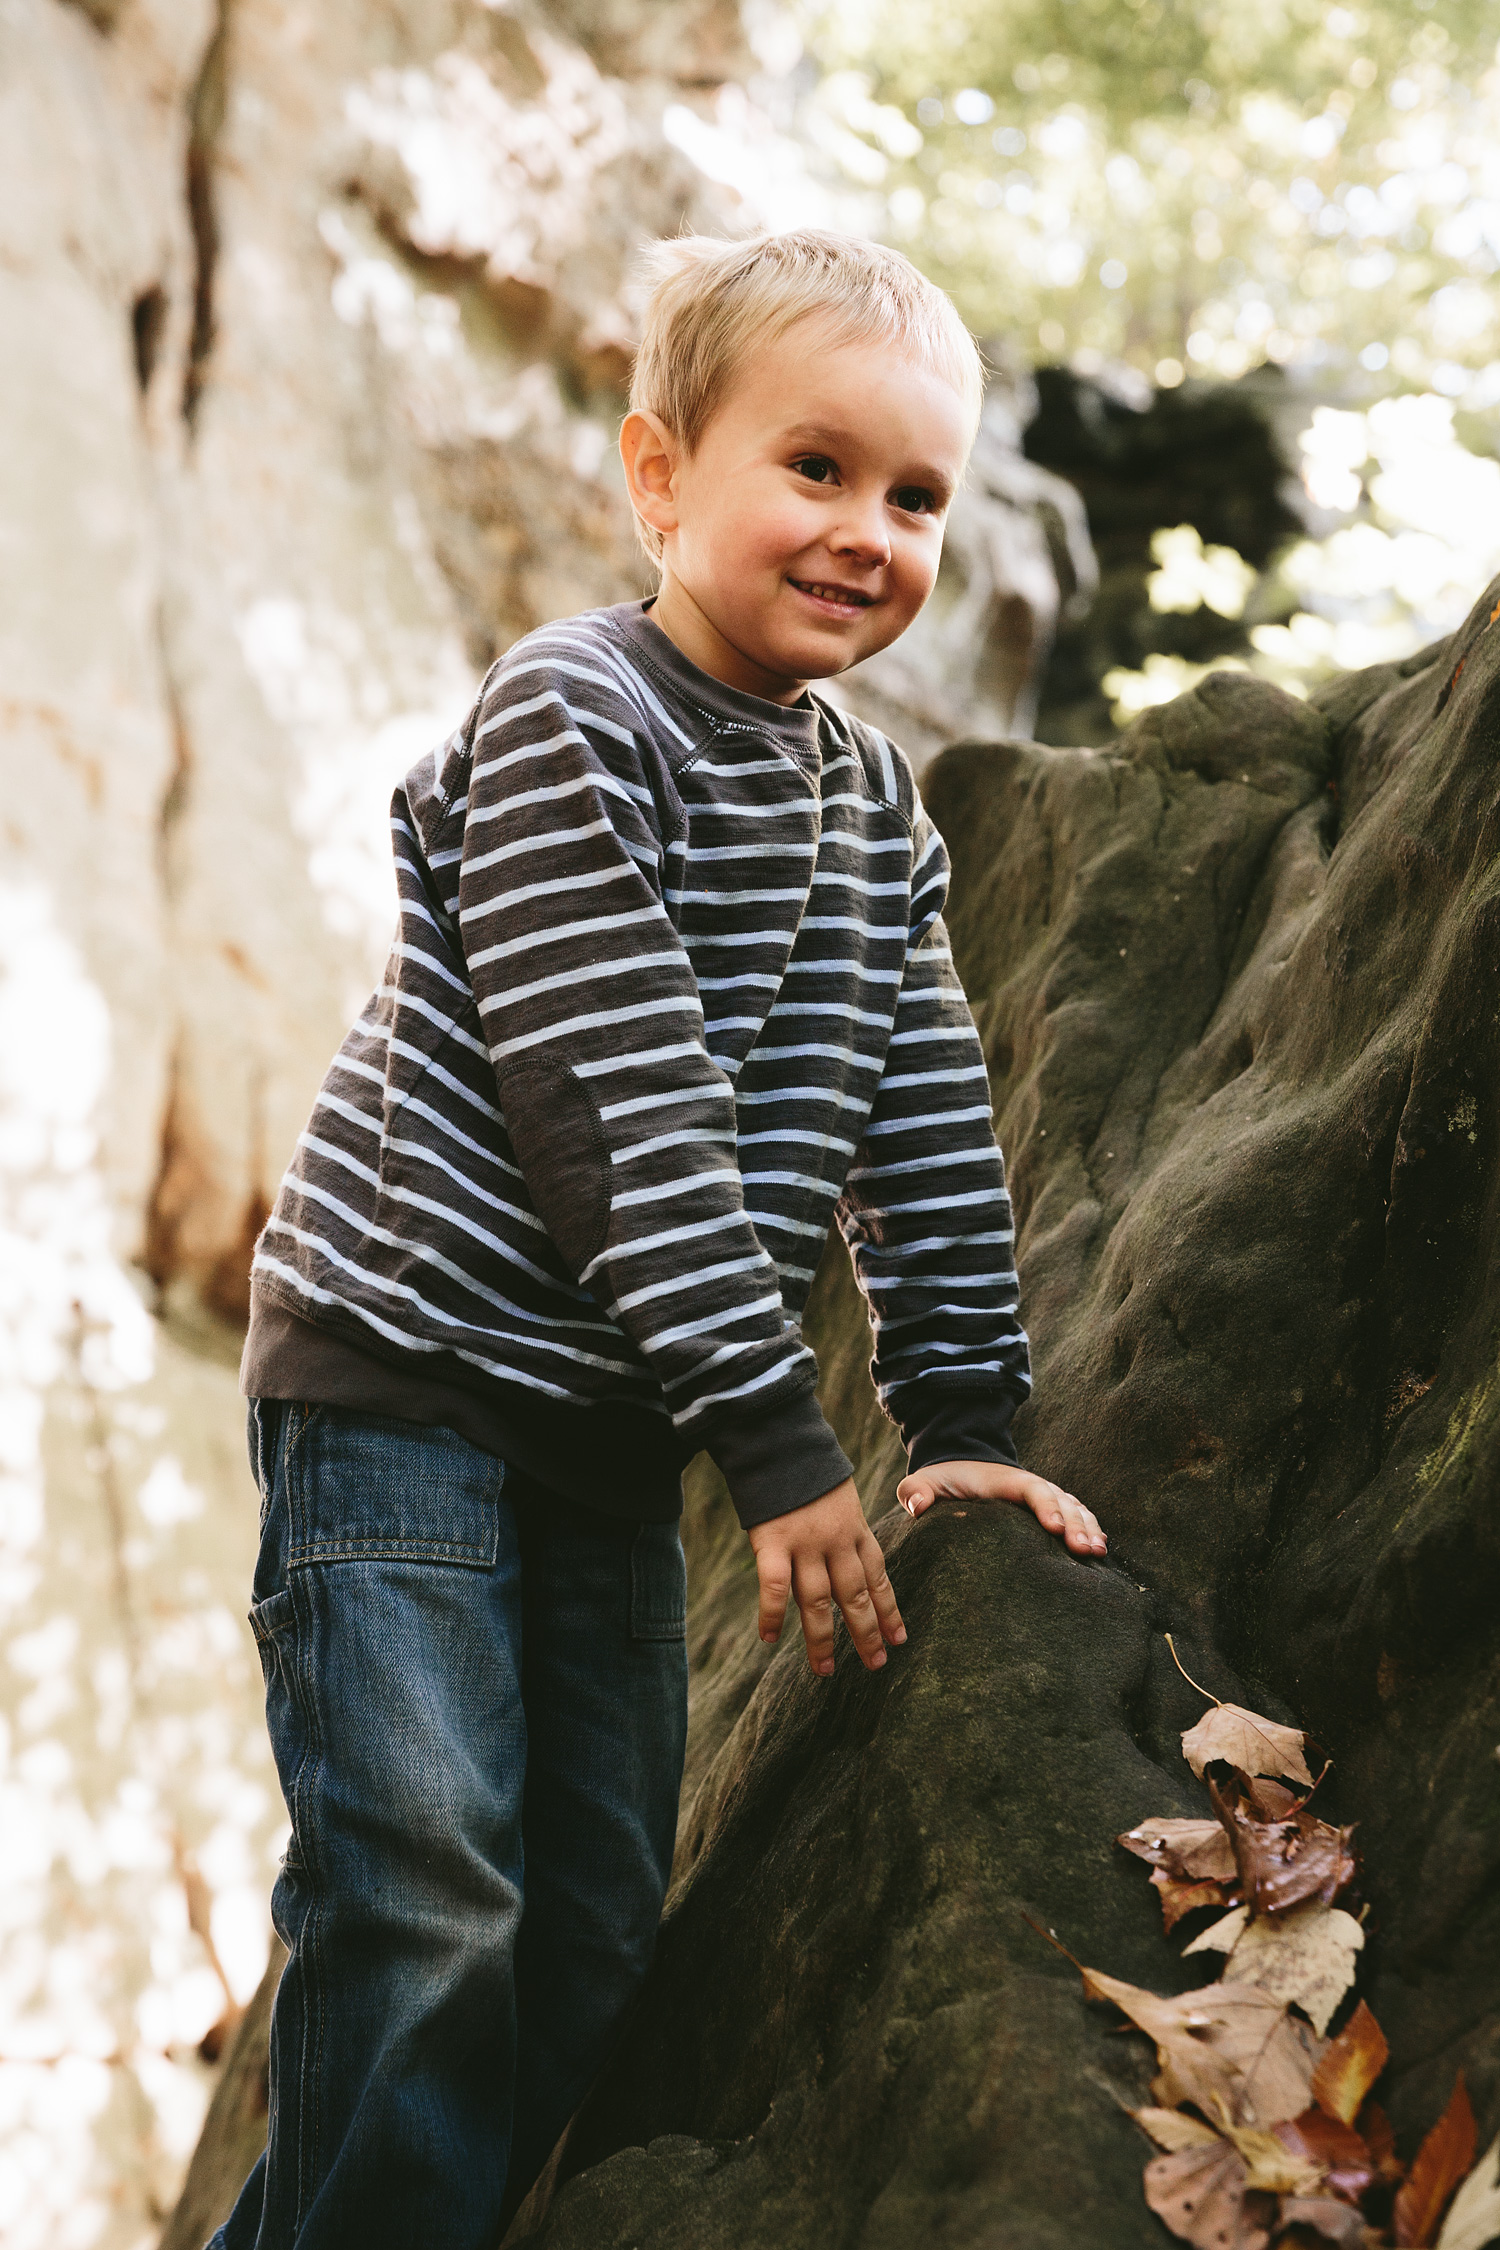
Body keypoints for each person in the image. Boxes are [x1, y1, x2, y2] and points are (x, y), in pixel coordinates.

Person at [211, 228, 1107, 2250]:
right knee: (428, 1892)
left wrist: (964, 1411)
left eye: (916, 496)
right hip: (407, 1394)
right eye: (816, 466)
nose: (868, 530)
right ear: (658, 477)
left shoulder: (873, 814)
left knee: (598, 1928)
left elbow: (929, 1119)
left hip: (606, 1448)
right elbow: (618, 1118)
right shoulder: (569, 720)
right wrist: (784, 1445)